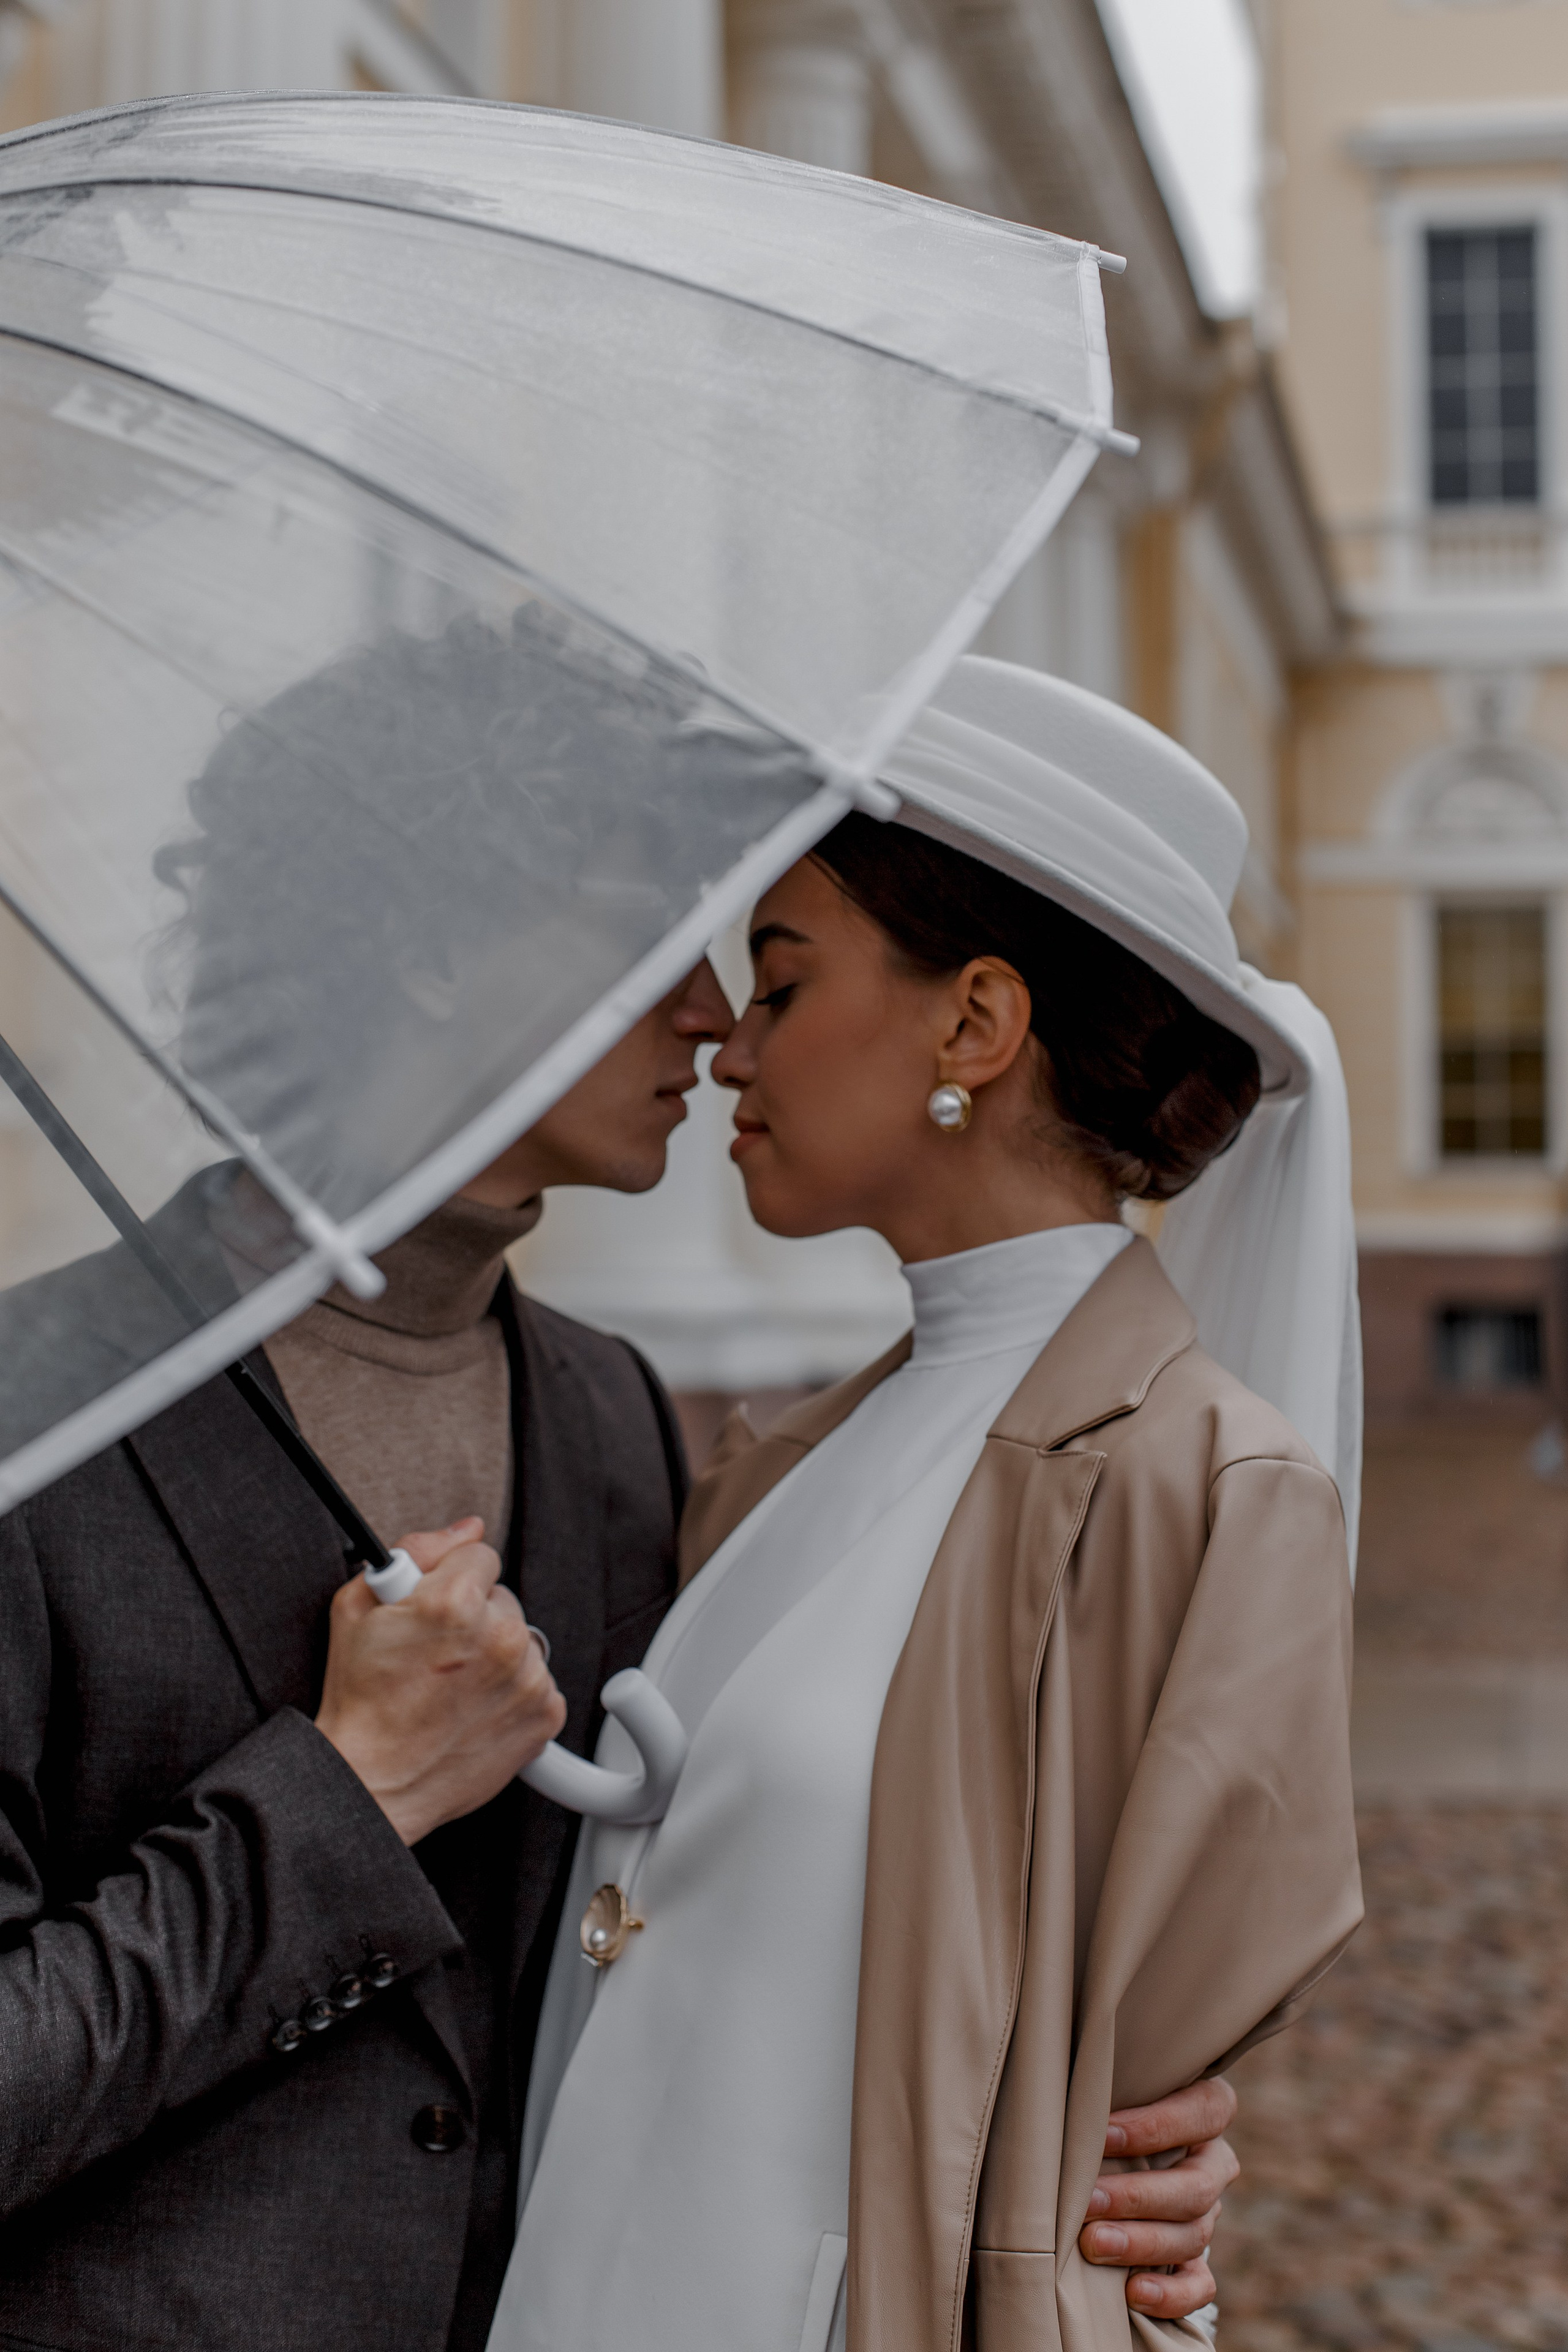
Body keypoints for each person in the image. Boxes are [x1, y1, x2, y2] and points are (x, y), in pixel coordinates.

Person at [0, 956, 1229, 2334]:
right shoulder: (26, 1418)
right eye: (646, 948)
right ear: (427, 950)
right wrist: (348, 1797)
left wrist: (1074, 2144)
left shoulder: (612, 1413)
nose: (708, 1018)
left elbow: (699, 1933)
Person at [489, 658, 1363, 2352]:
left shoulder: (1203, 1498)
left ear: (974, 1024)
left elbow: (1117, 2112)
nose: (724, 1046)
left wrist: (1127, 2187)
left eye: (782, 983)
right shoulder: (774, 1465)